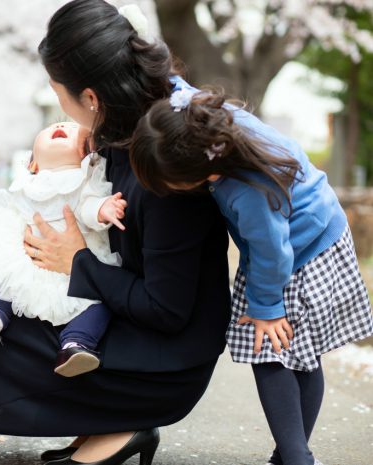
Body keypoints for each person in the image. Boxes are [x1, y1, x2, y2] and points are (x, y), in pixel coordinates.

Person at [0, 2, 232, 465]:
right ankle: (106, 423)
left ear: (92, 98)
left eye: (59, 93)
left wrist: (76, 261)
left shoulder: (162, 165)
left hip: (163, 359)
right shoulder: (114, 136)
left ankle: (126, 419)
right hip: (124, 317)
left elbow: (167, 310)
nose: (60, 107)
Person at [130, 87, 373, 465]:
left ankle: (295, 457)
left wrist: (267, 307)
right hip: (312, 229)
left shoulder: (248, 191)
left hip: (302, 252)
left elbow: (273, 252)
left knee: (273, 350)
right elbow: (179, 87)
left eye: (170, 186)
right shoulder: (201, 117)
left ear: (207, 173)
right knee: (298, 352)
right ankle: (292, 455)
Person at [0, 121, 126, 377]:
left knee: (99, 304)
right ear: (32, 164)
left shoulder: (86, 178)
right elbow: (15, 212)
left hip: (73, 271)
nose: (61, 126)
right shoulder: (26, 183)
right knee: (2, 274)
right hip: (28, 262)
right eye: (53, 127)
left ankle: (76, 345)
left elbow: (88, 205)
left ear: (85, 153)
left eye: (69, 127)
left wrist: (102, 210)